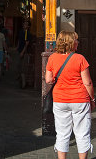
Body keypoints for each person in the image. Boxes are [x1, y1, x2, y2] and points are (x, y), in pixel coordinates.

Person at [45, 30, 95, 159]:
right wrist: (93, 98)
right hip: (80, 100)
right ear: (71, 43)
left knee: (62, 133)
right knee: (82, 133)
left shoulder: (52, 58)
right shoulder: (80, 58)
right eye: (76, 40)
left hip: (60, 100)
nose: (78, 42)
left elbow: (48, 80)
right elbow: (88, 83)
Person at [17, 20, 31, 89]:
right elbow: (19, 41)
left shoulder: (27, 33)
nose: (24, 25)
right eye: (24, 24)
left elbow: (26, 44)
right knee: (19, 66)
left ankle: (23, 84)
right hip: (20, 50)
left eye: (26, 24)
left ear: (28, 26)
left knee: (23, 68)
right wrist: (17, 48)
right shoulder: (21, 32)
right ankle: (21, 82)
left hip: (24, 52)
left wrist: (22, 52)